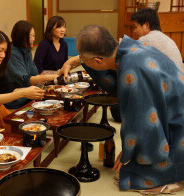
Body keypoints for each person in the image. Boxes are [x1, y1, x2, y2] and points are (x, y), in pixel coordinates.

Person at [60, 25, 184, 193]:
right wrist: (73, 61)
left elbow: (141, 118)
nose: (81, 61)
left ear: (98, 61)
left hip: (177, 127)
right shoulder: (128, 47)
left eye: (83, 59)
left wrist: (128, 151)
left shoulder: (132, 68)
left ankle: (174, 178)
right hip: (173, 105)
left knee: (129, 177)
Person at [5, 20, 58, 109]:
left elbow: (35, 73)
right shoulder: (13, 53)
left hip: (29, 93)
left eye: (33, 35)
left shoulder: (27, 50)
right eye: (30, 36)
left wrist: (46, 82)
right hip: (15, 97)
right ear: (20, 36)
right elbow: (25, 80)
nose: (33, 39)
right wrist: (48, 78)